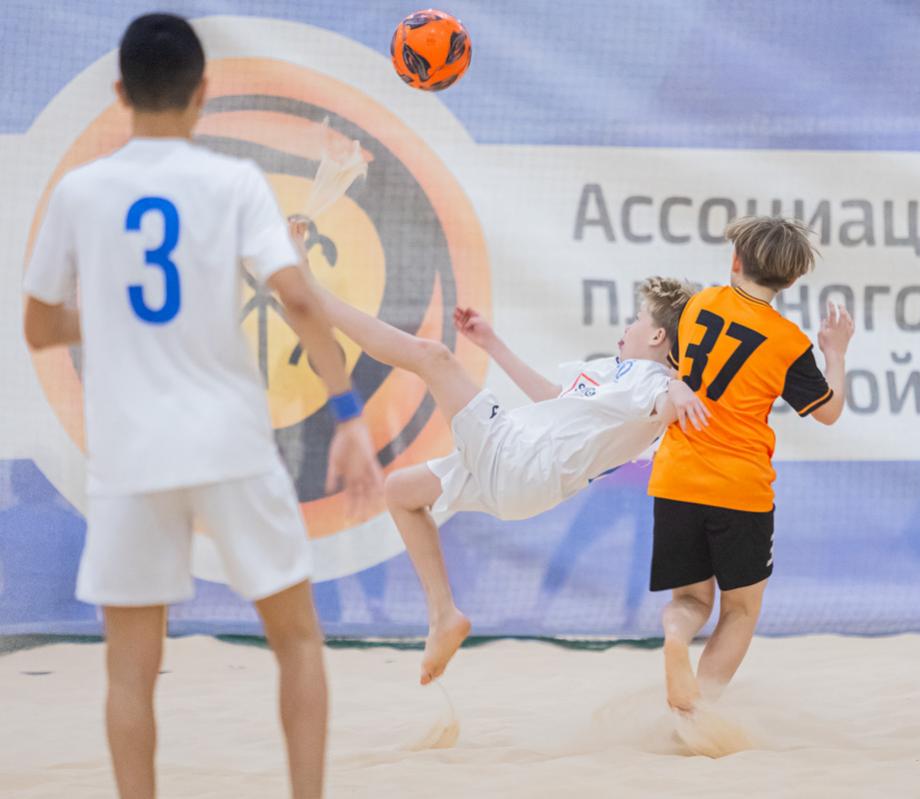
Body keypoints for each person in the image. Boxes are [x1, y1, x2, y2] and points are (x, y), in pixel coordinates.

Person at [22, 14, 383, 799]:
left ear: (120, 92)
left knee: (129, 671)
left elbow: (39, 327)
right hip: (229, 443)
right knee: (297, 642)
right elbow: (298, 298)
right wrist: (349, 413)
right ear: (203, 93)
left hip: (129, 454)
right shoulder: (234, 182)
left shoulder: (80, 191)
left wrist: (109, 316)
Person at [289, 218, 709, 685]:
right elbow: (552, 397)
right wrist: (492, 344)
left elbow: (666, 404)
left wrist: (680, 389)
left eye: (636, 320)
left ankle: (309, 290)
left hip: (522, 464)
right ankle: (444, 616)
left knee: (432, 357)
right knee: (402, 492)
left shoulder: (651, 381)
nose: (625, 328)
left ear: (657, 337)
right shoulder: (613, 372)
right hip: (521, 475)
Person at [646, 216, 855, 712]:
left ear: (736, 261)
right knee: (739, 611)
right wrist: (836, 353)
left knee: (690, 601)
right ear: (793, 279)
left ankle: (676, 637)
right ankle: (698, 714)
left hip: (675, 478)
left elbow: (672, 371)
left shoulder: (699, 304)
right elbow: (828, 412)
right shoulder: (787, 341)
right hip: (740, 491)